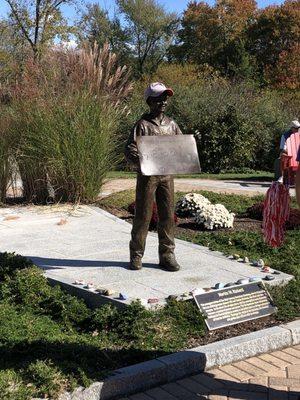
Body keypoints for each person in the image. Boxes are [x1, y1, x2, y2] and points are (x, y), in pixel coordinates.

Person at [125, 82, 183, 271]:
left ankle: (167, 255)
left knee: (167, 215)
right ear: (150, 101)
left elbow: (181, 146)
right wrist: (143, 158)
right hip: (148, 176)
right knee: (143, 215)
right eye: (159, 98)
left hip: (167, 175)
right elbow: (129, 148)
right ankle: (136, 254)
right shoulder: (142, 124)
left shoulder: (172, 124)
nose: (164, 101)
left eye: (165, 98)